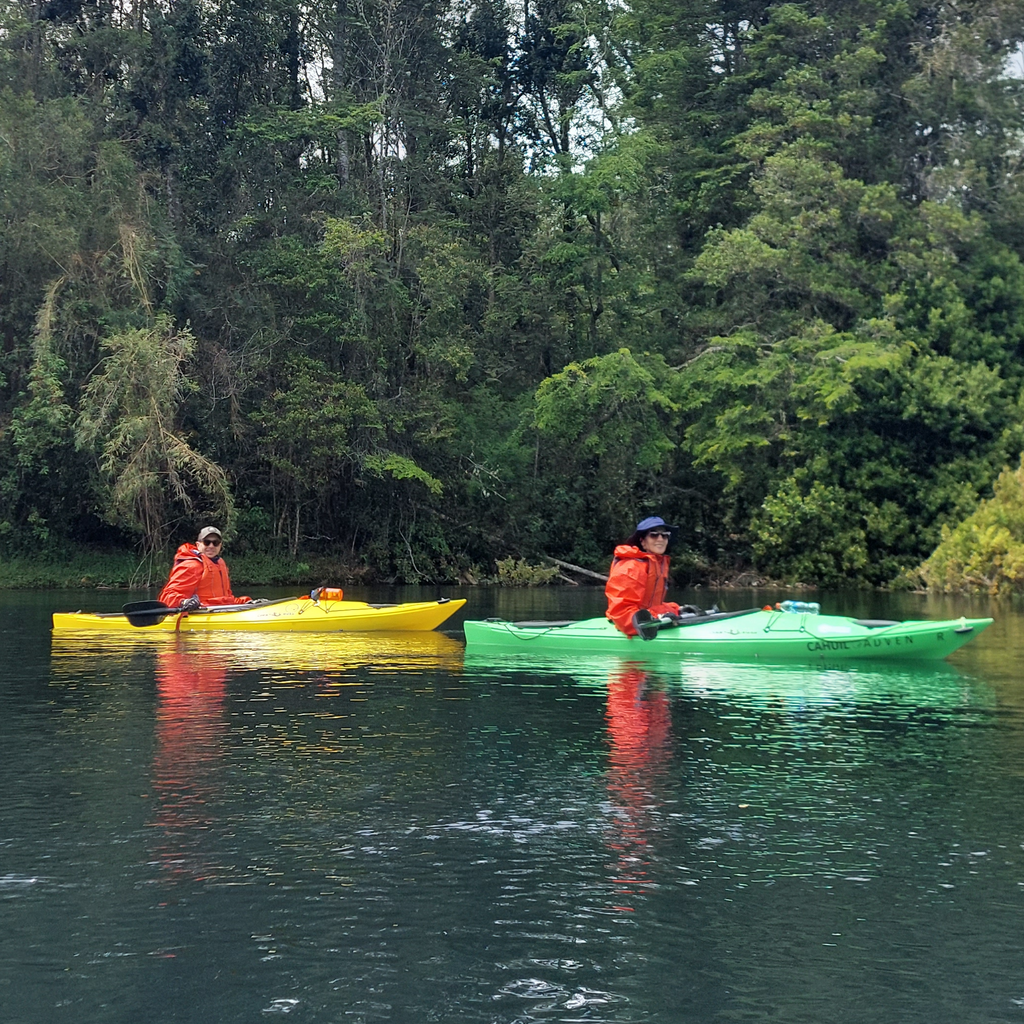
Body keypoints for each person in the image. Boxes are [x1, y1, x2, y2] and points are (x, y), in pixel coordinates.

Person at [605, 516, 682, 637]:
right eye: (654, 535)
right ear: (642, 541)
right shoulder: (630, 567)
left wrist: (677, 610)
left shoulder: (657, 564)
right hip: (627, 623)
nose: (660, 539)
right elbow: (622, 614)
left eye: (665, 535)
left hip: (646, 619)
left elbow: (652, 607)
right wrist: (658, 618)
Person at [157, 527, 252, 608]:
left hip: (220, 611)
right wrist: (183, 602)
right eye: (207, 542)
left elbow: (226, 599)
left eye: (216, 542)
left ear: (220, 545)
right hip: (199, 613)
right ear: (198, 545)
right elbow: (166, 597)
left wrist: (246, 603)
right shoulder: (191, 566)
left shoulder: (220, 564)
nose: (211, 546)